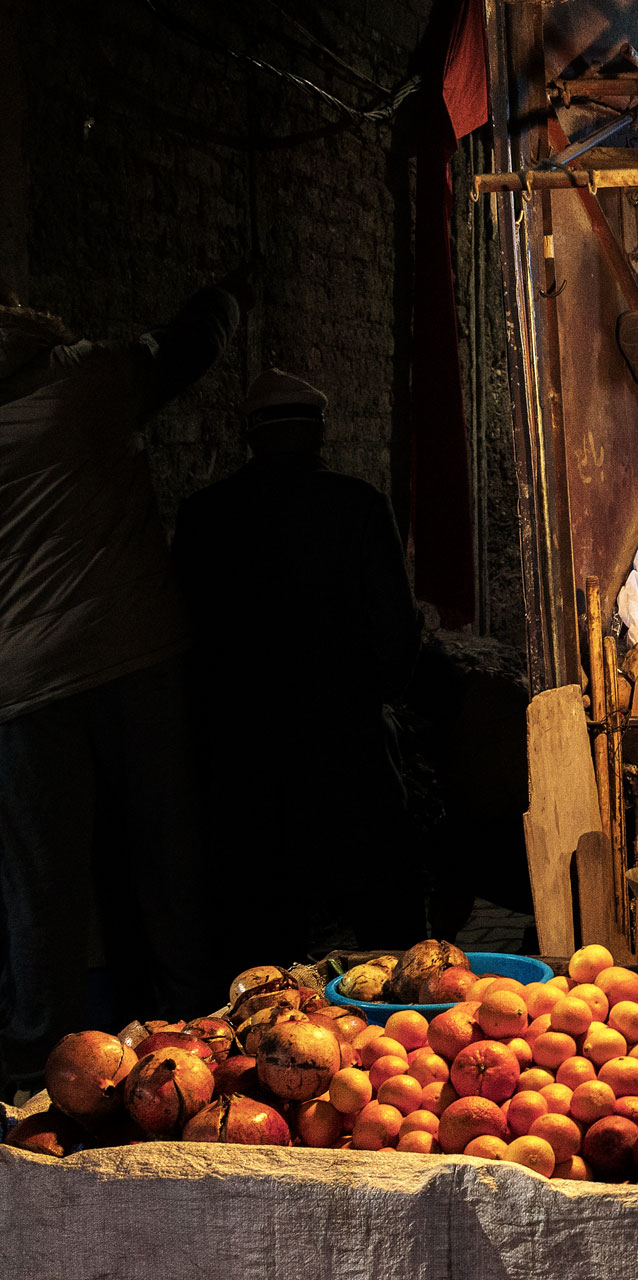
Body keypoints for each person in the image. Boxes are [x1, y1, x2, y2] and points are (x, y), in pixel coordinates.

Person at [0, 271, 246, 1098]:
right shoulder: (93, 379)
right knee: (167, 852)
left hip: (20, 684)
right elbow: (188, 346)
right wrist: (227, 295)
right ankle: (197, 1035)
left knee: (41, 883)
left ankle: (42, 1068)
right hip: (133, 654)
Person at [172, 369, 424, 965]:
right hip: (347, 736)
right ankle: (412, 1005)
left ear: (250, 435)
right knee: (387, 912)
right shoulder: (359, 506)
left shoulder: (205, 515)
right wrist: (376, 701)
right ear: (319, 432)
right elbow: (396, 630)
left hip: (244, 748)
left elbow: (184, 632)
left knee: (259, 924)